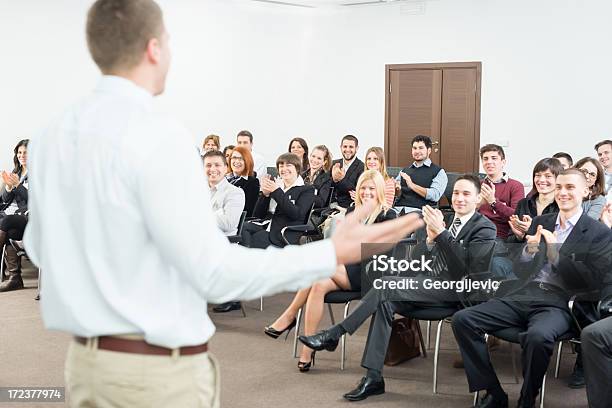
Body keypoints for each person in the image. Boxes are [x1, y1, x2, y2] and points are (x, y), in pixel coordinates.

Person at [23, 1, 425, 407]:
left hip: (86, 364)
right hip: (156, 373)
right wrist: (329, 253)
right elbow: (215, 274)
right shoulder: (159, 136)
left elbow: (40, 249)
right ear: (154, 49)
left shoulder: (51, 137)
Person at [299, 174, 496, 401]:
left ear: (478, 198)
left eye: (466, 194)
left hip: (458, 290)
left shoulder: (485, 229)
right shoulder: (443, 219)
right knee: (385, 301)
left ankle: (335, 334)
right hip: (428, 284)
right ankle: (373, 377)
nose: (459, 198)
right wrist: (430, 241)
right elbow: (418, 261)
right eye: (456, 193)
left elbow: (466, 269)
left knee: (385, 285)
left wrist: (441, 234)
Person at [451, 168, 612, 408]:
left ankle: (527, 399)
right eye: (559, 187)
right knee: (463, 319)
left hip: (561, 303)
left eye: (570, 188)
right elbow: (520, 269)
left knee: (538, 337)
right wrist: (528, 252)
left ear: (586, 191)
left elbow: (591, 282)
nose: (562, 193)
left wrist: (556, 254)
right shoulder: (541, 221)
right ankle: (493, 392)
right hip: (524, 293)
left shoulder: (599, 233)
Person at [264, 170, 398, 372]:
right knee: (317, 284)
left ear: (379, 190)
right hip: (348, 268)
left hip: (370, 274)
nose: (367, 192)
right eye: (363, 188)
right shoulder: (354, 211)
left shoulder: (388, 215)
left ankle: (289, 316)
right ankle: (307, 350)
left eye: (372, 188)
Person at [240, 153, 313, 249]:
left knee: (256, 238)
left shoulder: (306, 190)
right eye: (281, 166)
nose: (284, 169)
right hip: (267, 225)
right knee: (241, 228)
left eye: (288, 165)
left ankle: (249, 259)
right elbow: (257, 215)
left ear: (297, 168)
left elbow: (296, 214)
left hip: (283, 232)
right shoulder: (277, 185)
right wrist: (265, 195)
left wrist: (276, 191)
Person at [478, 144, 525, 279]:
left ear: (503, 162)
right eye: (485, 159)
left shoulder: (515, 186)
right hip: (477, 233)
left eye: (494, 158)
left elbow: (516, 216)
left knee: (489, 260)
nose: (489, 162)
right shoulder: (478, 184)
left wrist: (493, 202)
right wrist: (477, 205)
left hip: (500, 236)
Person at [508, 158, 563, 242]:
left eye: (548, 176)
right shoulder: (524, 203)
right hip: (524, 253)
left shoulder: (562, 206)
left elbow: (561, 239)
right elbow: (510, 241)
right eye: (537, 175)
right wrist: (519, 236)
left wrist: (531, 229)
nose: (541, 180)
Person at [0, 139, 29, 292]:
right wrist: (9, 187)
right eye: (19, 152)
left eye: (25, 152)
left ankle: (14, 277)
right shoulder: (16, 172)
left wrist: (18, 185)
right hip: (15, 219)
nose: (22, 155)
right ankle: (15, 278)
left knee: (7, 221)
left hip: (31, 217)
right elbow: (4, 199)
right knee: (10, 232)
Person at [394, 135, 448, 213]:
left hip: (419, 212)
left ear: (429, 151)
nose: (417, 151)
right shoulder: (404, 171)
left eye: (421, 148)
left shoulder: (438, 172)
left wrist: (412, 185)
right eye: (414, 148)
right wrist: (396, 188)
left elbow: (435, 196)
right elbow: (396, 193)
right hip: (397, 210)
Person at [203, 150, 244, 236]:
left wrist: (198, 214)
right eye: (208, 165)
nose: (212, 169)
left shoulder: (235, 193)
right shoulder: (199, 191)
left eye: (217, 165)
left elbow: (228, 224)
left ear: (225, 169)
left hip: (222, 243)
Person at [330, 135, 364, 209]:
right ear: (341, 147)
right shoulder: (333, 164)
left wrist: (341, 179)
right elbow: (328, 187)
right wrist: (333, 180)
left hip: (349, 208)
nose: (347, 150)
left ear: (357, 148)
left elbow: (356, 191)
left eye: (351, 147)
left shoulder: (362, 167)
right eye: (345, 146)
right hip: (330, 206)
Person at [227, 146, 259, 217]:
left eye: (241, 158)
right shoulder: (223, 178)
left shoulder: (252, 182)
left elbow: (248, 210)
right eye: (234, 158)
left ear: (247, 161)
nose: (237, 161)